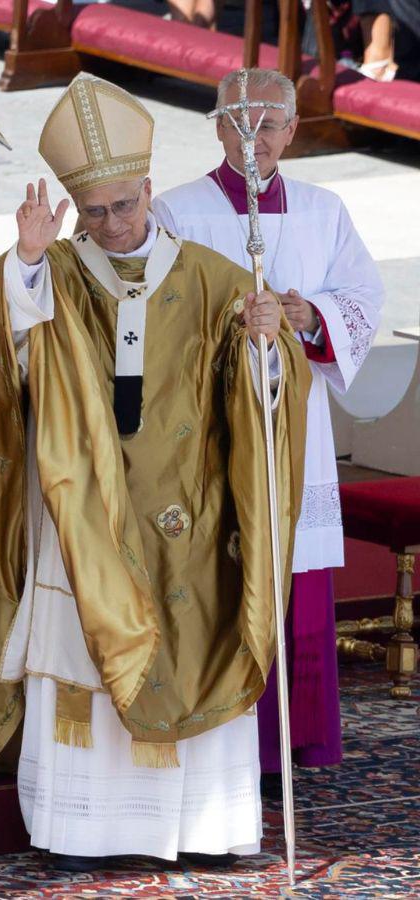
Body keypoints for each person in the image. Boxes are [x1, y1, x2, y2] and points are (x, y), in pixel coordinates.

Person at [0, 72, 311, 872]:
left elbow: (267, 398)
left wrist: (265, 344)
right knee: (85, 653)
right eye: (96, 211)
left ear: (150, 189)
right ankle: (86, 830)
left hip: (189, 511)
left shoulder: (217, 277)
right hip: (85, 508)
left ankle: (202, 827)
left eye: (126, 205)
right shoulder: (58, 272)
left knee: (193, 639)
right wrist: (30, 262)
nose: (112, 225)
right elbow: (1, 351)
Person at [153, 67, 384, 786]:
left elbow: (362, 297)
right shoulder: (175, 212)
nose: (256, 139)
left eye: (271, 124)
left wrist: (307, 315)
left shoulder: (323, 209)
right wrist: (234, 323)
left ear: (292, 130)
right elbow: (157, 316)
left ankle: (296, 739)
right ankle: (223, 739)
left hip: (299, 427)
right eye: (241, 123)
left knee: (295, 574)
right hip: (214, 424)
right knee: (220, 569)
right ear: (218, 127)